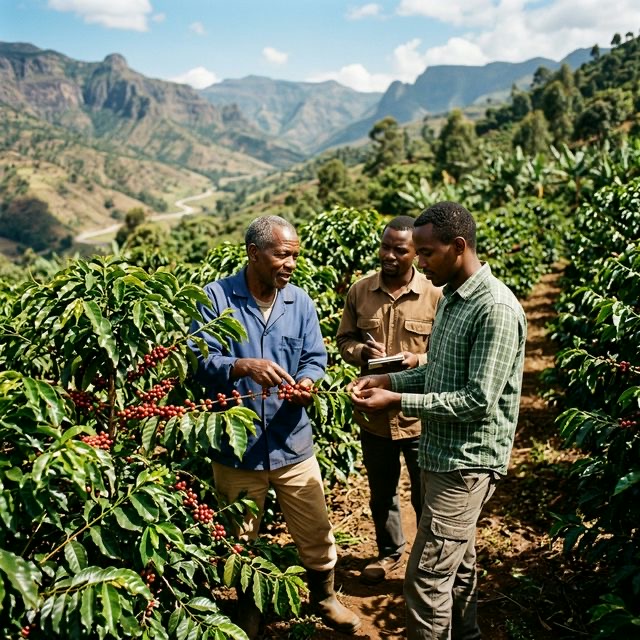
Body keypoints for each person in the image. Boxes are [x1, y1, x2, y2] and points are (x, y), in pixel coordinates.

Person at [349, 202, 527, 639]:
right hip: (440, 453)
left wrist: (398, 398)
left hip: (466, 462)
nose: (419, 263)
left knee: (427, 579)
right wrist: (388, 378)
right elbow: (437, 371)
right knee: (458, 567)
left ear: (459, 246)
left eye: (426, 253)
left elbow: (477, 400)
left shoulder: (494, 310)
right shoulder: (453, 299)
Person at [189, 215, 360, 637]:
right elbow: (197, 360)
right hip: (238, 447)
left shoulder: (298, 301)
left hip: (291, 441)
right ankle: (249, 607)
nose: (291, 264)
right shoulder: (215, 299)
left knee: (315, 528)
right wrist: (239, 365)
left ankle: (324, 597)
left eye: (295, 256)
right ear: (254, 253)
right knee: (241, 536)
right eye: (283, 255)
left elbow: (315, 357)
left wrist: (307, 382)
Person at [336, 215, 442, 584]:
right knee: (382, 492)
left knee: (425, 494)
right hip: (374, 416)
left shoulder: (435, 296)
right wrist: (361, 352)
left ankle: (428, 561)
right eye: (386, 247)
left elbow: (445, 356)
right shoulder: (360, 291)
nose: (390, 256)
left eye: (400, 250)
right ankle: (390, 552)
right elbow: (344, 340)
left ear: (416, 253)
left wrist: (418, 360)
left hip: (418, 414)